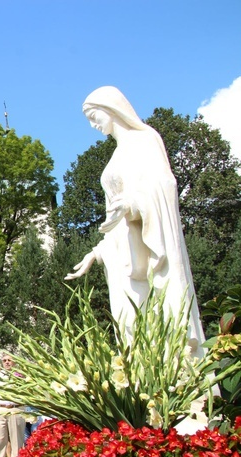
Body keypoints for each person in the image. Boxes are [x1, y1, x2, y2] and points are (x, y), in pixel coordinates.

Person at [66, 85, 206, 356]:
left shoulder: (144, 140)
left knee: (154, 317)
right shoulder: (116, 155)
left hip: (144, 246)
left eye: (94, 116)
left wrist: (132, 205)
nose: (93, 124)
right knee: (128, 323)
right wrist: (96, 252)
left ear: (111, 109)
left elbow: (164, 186)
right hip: (120, 251)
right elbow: (113, 219)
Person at [0, 353, 25, 457]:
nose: (6, 362)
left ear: (14, 361)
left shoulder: (21, 376)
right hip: (0, 409)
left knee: (16, 440)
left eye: (9, 360)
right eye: (4, 360)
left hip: (16, 409)